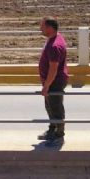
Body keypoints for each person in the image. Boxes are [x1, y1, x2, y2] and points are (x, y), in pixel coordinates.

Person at [38, 16, 69, 146]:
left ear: (50, 28)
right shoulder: (55, 38)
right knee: (50, 107)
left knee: (56, 108)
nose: (40, 29)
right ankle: (52, 130)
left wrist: (46, 86)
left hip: (54, 82)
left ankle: (58, 136)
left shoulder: (55, 46)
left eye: (42, 26)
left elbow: (53, 69)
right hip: (51, 81)